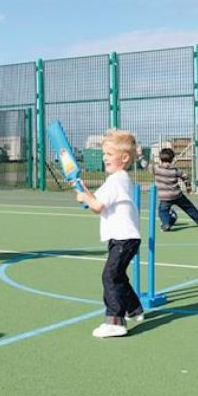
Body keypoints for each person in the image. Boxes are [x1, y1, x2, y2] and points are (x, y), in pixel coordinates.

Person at [74, 128, 144, 338]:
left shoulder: (116, 180)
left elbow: (97, 206)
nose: (105, 157)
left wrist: (86, 198)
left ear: (124, 158)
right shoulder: (118, 179)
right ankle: (134, 309)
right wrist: (83, 191)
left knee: (110, 277)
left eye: (110, 154)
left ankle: (115, 321)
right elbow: (95, 200)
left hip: (124, 238)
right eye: (104, 153)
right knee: (118, 275)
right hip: (124, 238)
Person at [147, 147, 198, 231]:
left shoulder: (157, 169)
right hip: (177, 195)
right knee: (189, 207)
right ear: (172, 159)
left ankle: (166, 224)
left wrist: (140, 156)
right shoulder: (175, 170)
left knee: (162, 211)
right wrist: (188, 188)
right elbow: (185, 177)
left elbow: (145, 165)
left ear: (160, 158)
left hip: (165, 197)